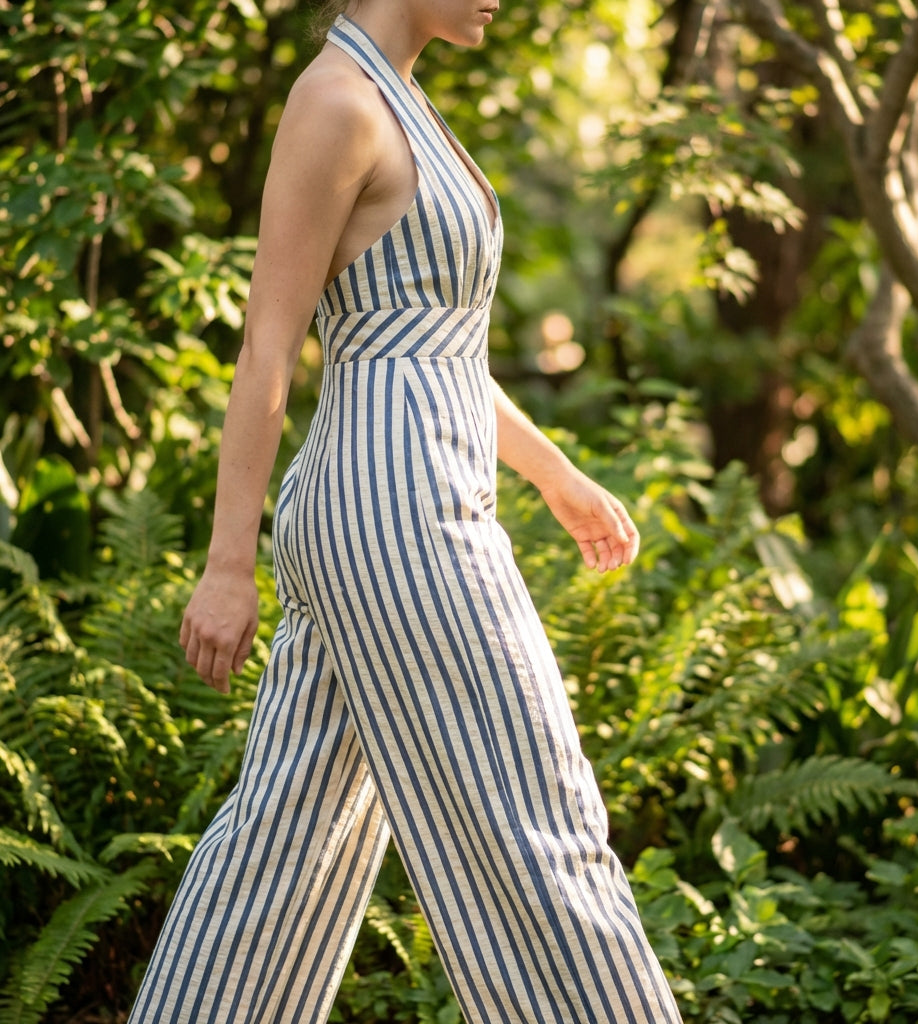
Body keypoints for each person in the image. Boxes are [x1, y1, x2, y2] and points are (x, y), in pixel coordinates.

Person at [128, 1, 684, 1021]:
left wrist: (554, 475)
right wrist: (226, 560)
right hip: (396, 516)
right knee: (535, 809)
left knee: (286, 842)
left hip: (408, 497)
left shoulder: (400, 100)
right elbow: (267, 348)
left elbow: (433, 344)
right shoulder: (336, 102)